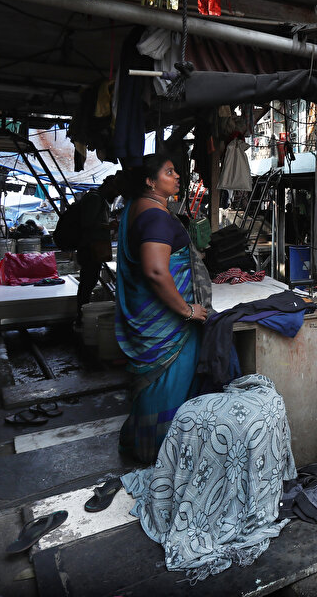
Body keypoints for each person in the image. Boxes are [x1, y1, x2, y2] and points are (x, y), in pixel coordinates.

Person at [114, 152, 209, 463]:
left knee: (157, 386)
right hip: (168, 324)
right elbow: (156, 271)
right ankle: (158, 455)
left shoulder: (139, 209)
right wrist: (187, 311)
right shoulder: (154, 215)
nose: (177, 176)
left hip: (153, 318)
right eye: (169, 171)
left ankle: (145, 446)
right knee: (167, 383)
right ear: (150, 181)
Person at [74, 174, 122, 324]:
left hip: (93, 248)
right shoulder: (94, 198)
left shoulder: (99, 199)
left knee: (89, 282)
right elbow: (87, 224)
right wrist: (109, 226)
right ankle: (82, 318)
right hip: (89, 248)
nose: (116, 195)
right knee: (87, 283)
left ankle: (82, 317)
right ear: (109, 186)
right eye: (115, 191)